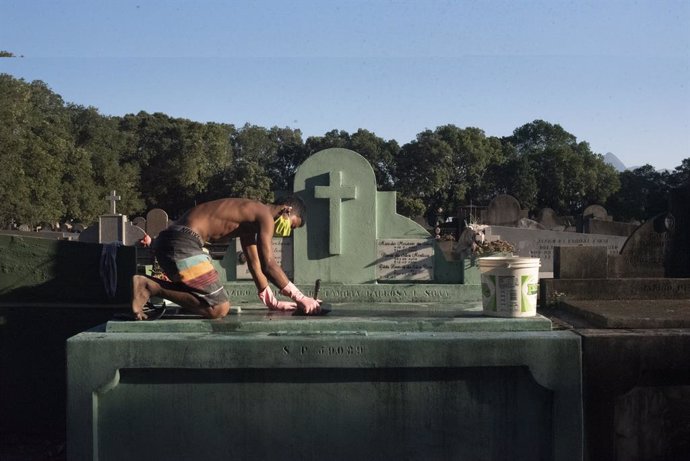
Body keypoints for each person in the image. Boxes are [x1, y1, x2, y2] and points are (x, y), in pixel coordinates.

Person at [131, 196, 321, 320]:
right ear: (286, 210)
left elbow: (255, 265)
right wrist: (301, 297)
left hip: (171, 242)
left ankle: (149, 287)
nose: (287, 231)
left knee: (208, 302)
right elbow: (269, 264)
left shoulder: (251, 216)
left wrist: (272, 301)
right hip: (182, 243)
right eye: (291, 225)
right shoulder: (265, 216)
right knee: (219, 308)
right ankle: (148, 286)